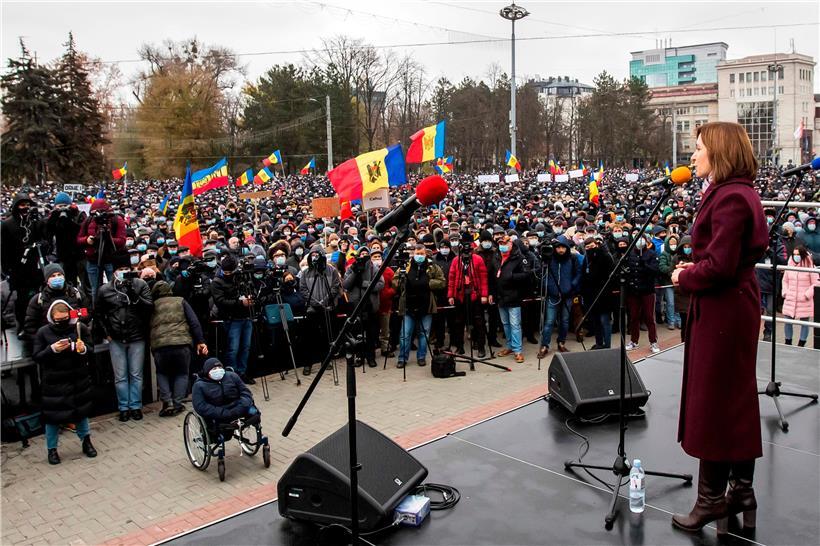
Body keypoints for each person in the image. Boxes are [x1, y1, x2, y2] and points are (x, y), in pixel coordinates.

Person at [671, 122, 769, 534]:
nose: (692, 156)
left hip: (724, 311)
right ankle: (740, 492)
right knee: (734, 400)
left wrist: (685, 276)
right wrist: (699, 267)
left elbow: (721, 266)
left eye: (697, 148)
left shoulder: (730, 198)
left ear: (719, 152)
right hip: (732, 307)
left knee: (714, 403)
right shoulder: (738, 191)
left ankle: (711, 501)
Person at [31, 300, 97, 465]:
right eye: (58, 319)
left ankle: (86, 441)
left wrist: (82, 349)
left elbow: (90, 349)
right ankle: (52, 449)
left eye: (65, 318)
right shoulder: (43, 333)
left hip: (77, 379)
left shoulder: (79, 328)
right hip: (54, 383)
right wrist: (52, 349)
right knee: (52, 418)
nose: (62, 322)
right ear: (52, 318)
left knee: (81, 414)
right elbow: (37, 356)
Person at [95, 254, 153, 422]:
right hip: (116, 338)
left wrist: (134, 295)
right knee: (120, 376)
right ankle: (123, 407)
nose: (124, 272)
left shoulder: (140, 284)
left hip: (137, 336)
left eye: (127, 269)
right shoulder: (105, 290)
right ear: (114, 272)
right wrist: (106, 333)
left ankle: (135, 406)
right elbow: (99, 314)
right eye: (121, 270)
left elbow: (149, 307)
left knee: (136, 374)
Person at [149, 280, 208, 416]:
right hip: (181, 343)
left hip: (160, 345)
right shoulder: (180, 301)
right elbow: (194, 322)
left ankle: (167, 402)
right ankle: (177, 403)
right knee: (181, 373)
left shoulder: (152, 305)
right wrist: (200, 341)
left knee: (162, 373)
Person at [392, 244, 445, 368]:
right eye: (417, 253)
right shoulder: (406, 266)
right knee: (405, 334)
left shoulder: (433, 267)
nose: (419, 256)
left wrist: (428, 283)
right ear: (413, 254)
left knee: (424, 334)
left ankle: (421, 357)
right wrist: (401, 281)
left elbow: (442, 281)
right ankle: (402, 358)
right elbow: (394, 282)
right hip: (408, 306)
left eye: (421, 254)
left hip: (426, 306)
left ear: (425, 254)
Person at [1, 193, 46, 335]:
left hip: (35, 266)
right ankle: (22, 325)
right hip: (17, 268)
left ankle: (38, 323)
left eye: (28, 205)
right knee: (21, 299)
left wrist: (38, 222)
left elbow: (45, 240)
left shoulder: (35, 222)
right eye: (22, 205)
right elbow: (4, 248)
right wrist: (6, 269)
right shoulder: (8, 224)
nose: (26, 208)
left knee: (38, 296)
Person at [211, 254, 255, 384]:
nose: (228, 274)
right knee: (233, 348)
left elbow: (251, 288)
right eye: (226, 272)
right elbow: (220, 301)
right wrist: (240, 303)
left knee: (245, 347)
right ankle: (232, 374)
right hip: (231, 318)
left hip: (246, 317)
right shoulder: (217, 282)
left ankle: (242, 372)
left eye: (231, 271)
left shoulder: (241, 277)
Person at [537, 235, 580, 358]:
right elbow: (542, 273)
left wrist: (572, 285)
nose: (561, 250)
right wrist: (547, 286)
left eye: (563, 247)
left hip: (568, 295)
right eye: (558, 247)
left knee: (565, 321)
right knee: (549, 321)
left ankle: (561, 342)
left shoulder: (573, 258)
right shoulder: (549, 259)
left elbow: (578, 274)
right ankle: (545, 345)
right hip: (552, 295)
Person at [77, 199, 126, 303]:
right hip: (93, 259)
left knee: (115, 287)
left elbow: (122, 240)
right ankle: (97, 310)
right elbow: (79, 239)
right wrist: (87, 240)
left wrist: (108, 239)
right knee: (95, 290)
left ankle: (117, 307)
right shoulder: (88, 221)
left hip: (111, 259)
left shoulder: (116, 220)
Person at [447, 235, 489, 357]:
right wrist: (450, 295)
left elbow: (483, 278)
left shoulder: (478, 259)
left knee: (479, 322)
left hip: (475, 294)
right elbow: (451, 279)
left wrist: (484, 295)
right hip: (460, 295)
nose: (466, 252)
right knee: (459, 323)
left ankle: (481, 347)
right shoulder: (456, 260)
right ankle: (460, 347)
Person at [342, 247, 384, 367]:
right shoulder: (352, 268)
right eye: (362, 254)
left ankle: (371, 356)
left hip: (370, 306)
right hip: (355, 306)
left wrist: (366, 284)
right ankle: (359, 356)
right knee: (357, 334)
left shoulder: (373, 268)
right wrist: (355, 272)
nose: (364, 256)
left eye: (366, 254)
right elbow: (345, 285)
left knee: (371, 334)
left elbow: (381, 284)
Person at [495, 235, 530, 363]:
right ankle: (509, 346)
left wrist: (511, 276)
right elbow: (492, 275)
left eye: (504, 243)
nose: (502, 245)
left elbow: (527, 274)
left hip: (514, 296)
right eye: (500, 243)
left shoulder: (519, 257)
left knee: (515, 324)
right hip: (500, 296)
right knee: (505, 324)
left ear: (510, 243)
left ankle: (517, 350)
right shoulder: (497, 256)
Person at [625, 232, 660, 353]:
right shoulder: (630, 254)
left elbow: (655, 270)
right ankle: (634, 341)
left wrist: (644, 264)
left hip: (647, 291)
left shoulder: (651, 254)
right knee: (634, 317)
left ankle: (653, 342)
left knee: (649, 317)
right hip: (633, 291)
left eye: (642, 239)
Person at [192, 357, 257, 423]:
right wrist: (223, 412)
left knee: (254, 413)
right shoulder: (199, 385)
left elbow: (245, 392)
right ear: (207, 372)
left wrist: (242, 405)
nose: (218, 370)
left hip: (238, 406)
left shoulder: (232, 376)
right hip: (218, 413)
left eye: (220, 367)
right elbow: (201, 406)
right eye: (214, 369)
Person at [580, 236, 615, 349]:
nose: (590, 249)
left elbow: (611, 274)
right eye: (587, 247)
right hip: (591, 295)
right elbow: (584, 276)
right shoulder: (586, 258)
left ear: (597, 245)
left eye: (592, 246)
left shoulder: (605, 256)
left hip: (604, 295)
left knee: (605, 321)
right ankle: (599, 343)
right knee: (596, 322)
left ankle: (607, 345)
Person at [781, 245, 818, 347]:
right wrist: (785, 292)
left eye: (798, 254)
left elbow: (815, 283)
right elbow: (785, 280)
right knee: (787, 321)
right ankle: (788, 341)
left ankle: (801, 343)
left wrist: (806, 295)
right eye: (794, 254)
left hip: (804, 300)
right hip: (790, 298)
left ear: (802, 255)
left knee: (804, 323)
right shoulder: (789, 265)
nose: (796, 256)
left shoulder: (810, 266)